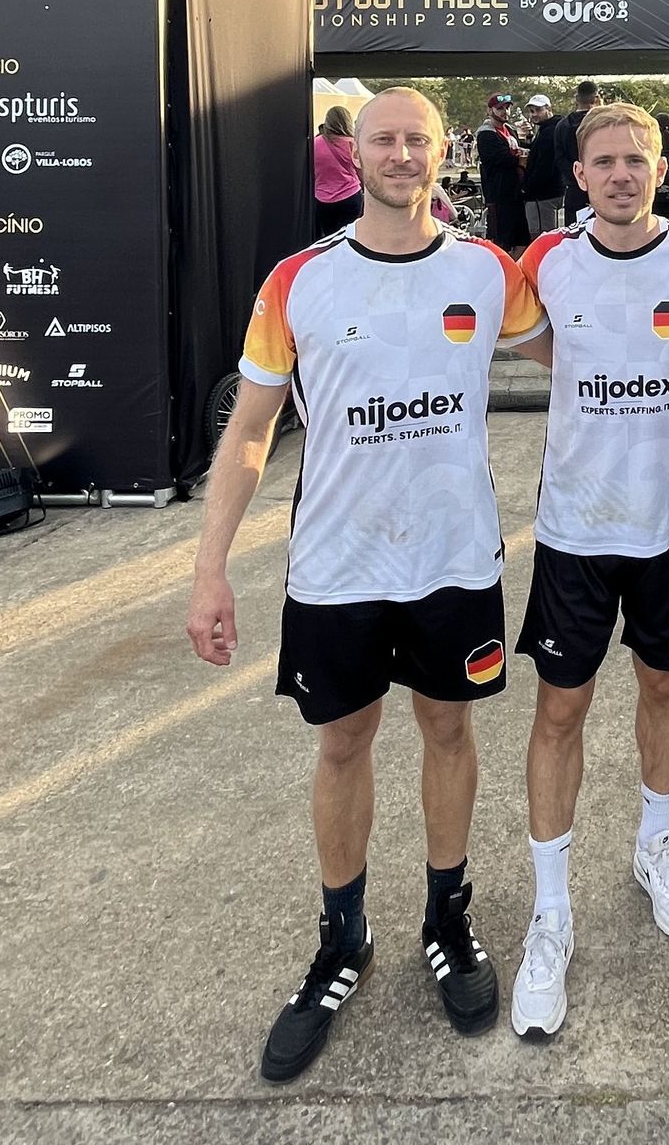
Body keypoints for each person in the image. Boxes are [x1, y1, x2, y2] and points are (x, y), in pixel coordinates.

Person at [185, 86, 549, 1083]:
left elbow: (586, 346)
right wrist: (210, 569)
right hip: (338, 566)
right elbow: (250, 429)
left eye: (416, 139)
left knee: (447, 731)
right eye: (382, 138)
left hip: (452, 559)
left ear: (441, 150)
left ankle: (447, 917)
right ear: (357, 153)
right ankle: (342, 936)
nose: (400, 154)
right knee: (343, 742)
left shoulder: (489, 271)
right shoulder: (299, 279)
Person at [509, 103, 669, 1038]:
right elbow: (546, 352)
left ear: (659, 169)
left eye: (635, 160)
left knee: (665, 687)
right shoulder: (544, 263)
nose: (619, 175)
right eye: (602, 162)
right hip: (575, 531)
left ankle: (654, 843)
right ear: (579, 176)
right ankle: (550, 910)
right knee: (560, 710)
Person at [476, 93, 529, 256]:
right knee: (501, 241)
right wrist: (519, 158)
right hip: (499, 195)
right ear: (490, 110)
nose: (505, 112)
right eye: (500, 108)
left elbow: (522, 149)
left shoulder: (510, 130)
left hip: (516, 193)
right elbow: (500, 158)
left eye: (507, 108)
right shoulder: (486, 133)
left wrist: (527, 141)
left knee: (522, 239)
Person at [312, 105, 364, 237]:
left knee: (330, 239)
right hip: (351, 197)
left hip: (323, 201)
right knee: (351, 237)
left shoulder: (315, 144)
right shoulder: (353, 144)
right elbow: (361, 173)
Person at [556, 80, 600, 223]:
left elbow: (559, 158)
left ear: (576, 98)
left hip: (573, 189)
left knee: (574, 231)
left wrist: (576, 177)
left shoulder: (562, 125)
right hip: (600, 187)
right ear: (596, 98)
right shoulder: (603, 123)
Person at [521, 94, 564, 235]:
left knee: (541, 236)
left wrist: (527, 188)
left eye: (538, 110)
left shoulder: (549, 132)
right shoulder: (549, 128)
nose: (534, 114)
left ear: (548, 108)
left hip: (542, 195)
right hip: (550, 192)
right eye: (531, 111)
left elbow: (544, 165)